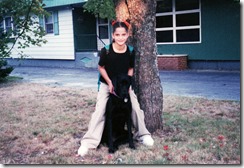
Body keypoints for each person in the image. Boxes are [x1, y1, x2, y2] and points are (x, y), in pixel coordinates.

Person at [77, 20, 154, 157]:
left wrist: (127, 85)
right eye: (117, 35)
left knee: (135, 107)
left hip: (123, 85)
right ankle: (88, 143)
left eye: (123, 34)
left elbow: (130, 69)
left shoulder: (130, 51)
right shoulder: (106, 50)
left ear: (127, 35)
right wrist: (110, 82)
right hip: (107, 84)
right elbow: (101, 68)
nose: (120, 37)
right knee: (100, 110)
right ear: (113, 35)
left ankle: (143, 135)